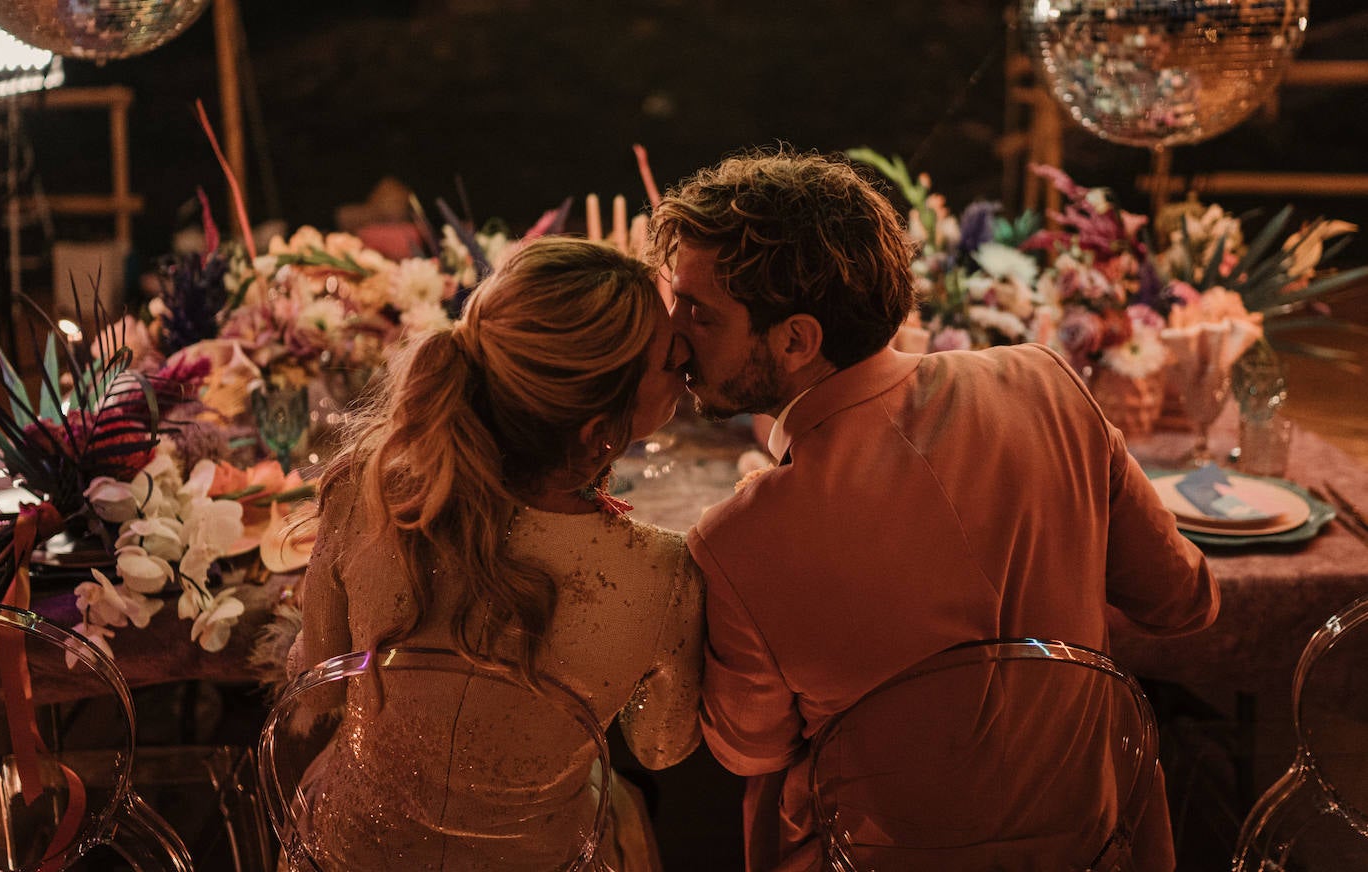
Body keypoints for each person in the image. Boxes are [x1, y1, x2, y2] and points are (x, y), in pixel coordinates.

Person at [647, 149, 1219, 872]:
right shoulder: (1047, 385)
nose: (671, 335)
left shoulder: (738, 541)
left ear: (796, 339)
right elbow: (1185, 602)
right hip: (1096, 843)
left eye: (696, 312)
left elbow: (745, 748)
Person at [290, 236, 703, 870]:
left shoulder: (362, 490)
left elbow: (314, 684)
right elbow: (660, 746)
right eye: (675, 362)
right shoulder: (663, 572)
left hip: (346, 852)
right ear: (600, 431)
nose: (691, 371)